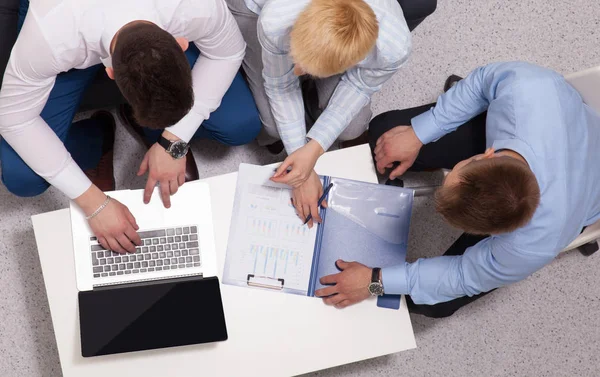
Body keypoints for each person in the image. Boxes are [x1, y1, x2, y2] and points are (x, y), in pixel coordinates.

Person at [314, 61, 600, 317]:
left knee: (432, 303)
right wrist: (420, 132)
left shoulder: (531, 246)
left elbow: (462, 275)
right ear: (486, 155)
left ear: (498, 234)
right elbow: (482, 82)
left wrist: (376, 281)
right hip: (560, 125)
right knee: (385, 133)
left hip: (582, 195)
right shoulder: (525, 90)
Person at [0, 0, 261, 253]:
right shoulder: (50, 34)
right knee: (23, 176)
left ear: (181, 43)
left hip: (121, 33)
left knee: (241, 125)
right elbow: (13, 118)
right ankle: (97, 137)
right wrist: (93, 203)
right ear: (110, 73)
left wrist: (174, 141)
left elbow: (229, 52)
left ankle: (152, 130)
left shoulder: (193, 7)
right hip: (69, 31)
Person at [226, 0, 412, 227]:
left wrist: (313, 149)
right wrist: (300, 165)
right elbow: (280, 85)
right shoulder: (276, 19)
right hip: (255, 8)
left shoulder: (394, 47)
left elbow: (359, 87)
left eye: (304, 69)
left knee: (351, 128)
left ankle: (313, 101)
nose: (296, 71)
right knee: (272, 127)